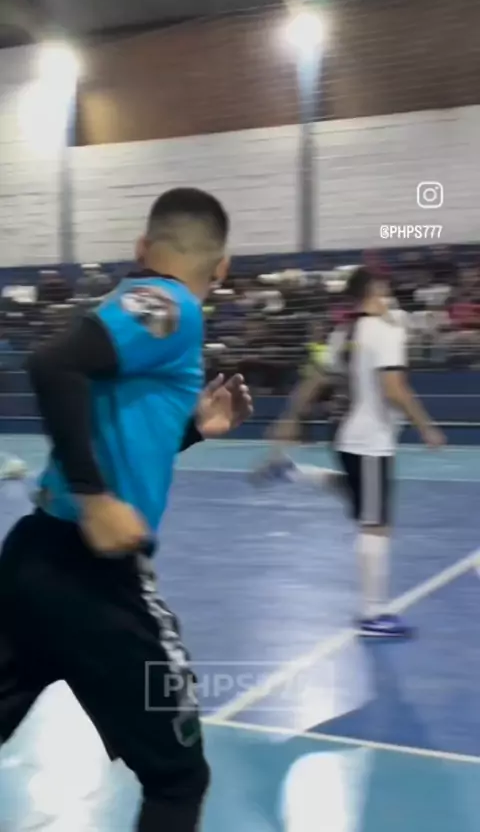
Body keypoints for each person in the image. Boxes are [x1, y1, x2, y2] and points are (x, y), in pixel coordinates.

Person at [0, 188, 253, 831]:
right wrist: (95, 499)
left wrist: (191, 430)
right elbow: (50, 363)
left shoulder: (129, 303)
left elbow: (112, 421)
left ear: (142, 247)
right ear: (222, 268)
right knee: (178, 778)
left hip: (31, 561)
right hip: (96, 585)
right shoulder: (175, 306)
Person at [256, 267, 445, 639]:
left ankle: (293, 472)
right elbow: (394, 388)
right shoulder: (385, 332)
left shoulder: (343, 333)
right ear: (374, 292)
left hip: (344, 437)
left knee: (354, 491)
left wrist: (289, 418)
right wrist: (426, 425)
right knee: (375, 525)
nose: (389, 297)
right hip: (370, 440)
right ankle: (372, 613)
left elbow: (314, 380)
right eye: (385, 290)